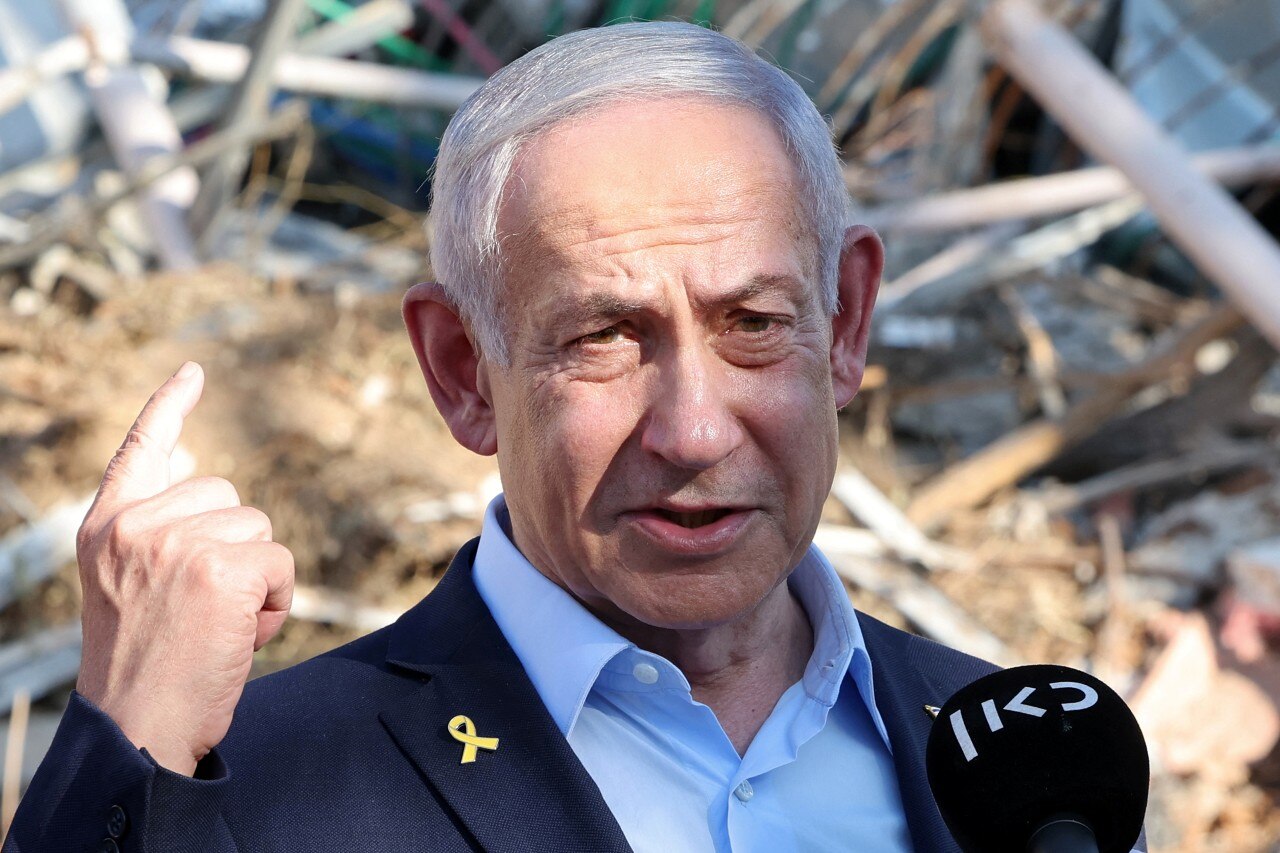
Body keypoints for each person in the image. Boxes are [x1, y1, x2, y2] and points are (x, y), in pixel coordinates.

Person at [6, 21, 1005, 853]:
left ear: (843, 326)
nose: (694, 430)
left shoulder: (1025, 768)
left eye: (752, 324)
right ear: (458, 370)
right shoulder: (244, 790)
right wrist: (130, 736)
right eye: (603, 338)